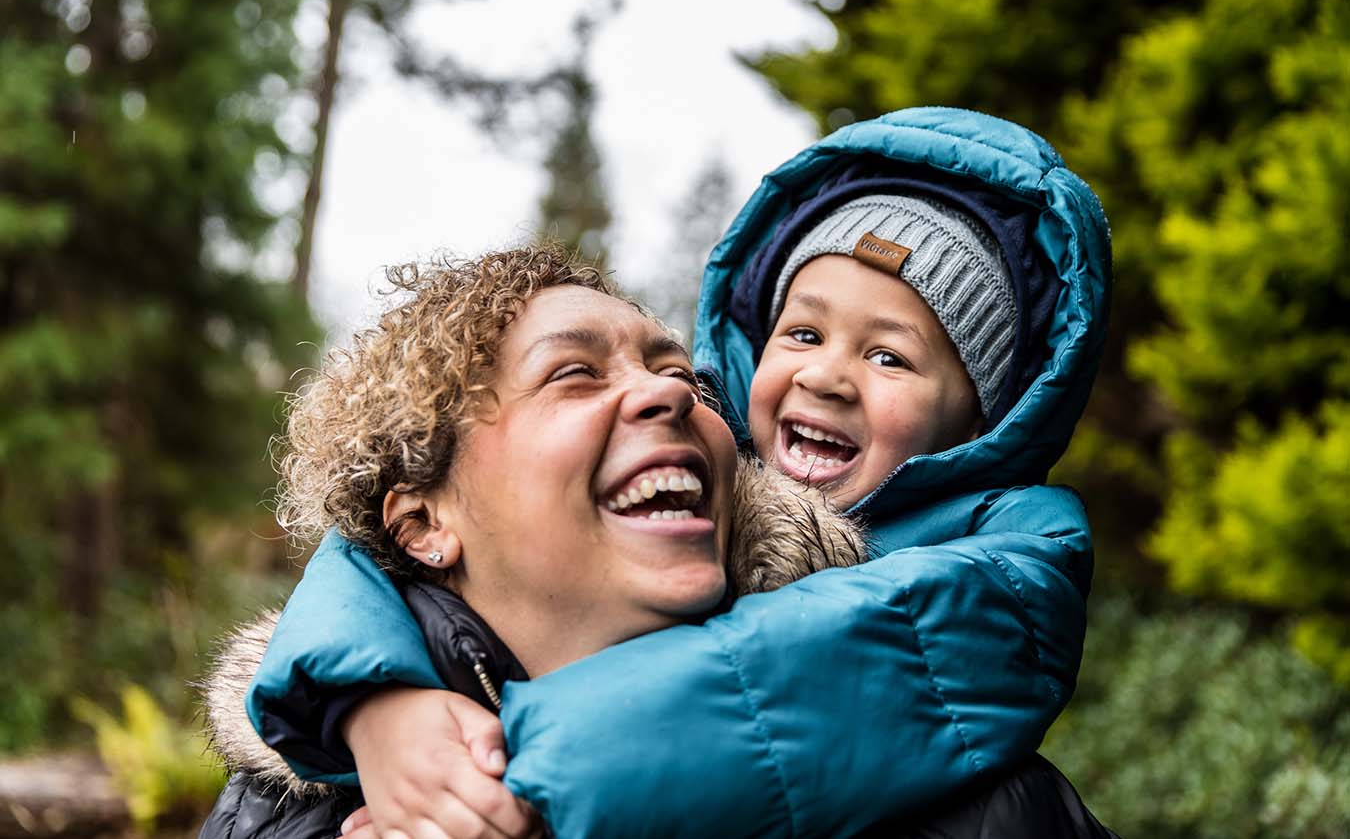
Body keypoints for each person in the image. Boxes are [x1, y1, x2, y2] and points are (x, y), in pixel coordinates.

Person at [220, 107, 1112, 837]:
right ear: (420, 521)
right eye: (574, 373)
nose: (670, 396)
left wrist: (521, 782)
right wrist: (368, 700)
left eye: (681, 372)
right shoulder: (296, 806)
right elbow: (351, 558)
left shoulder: (982, 799)